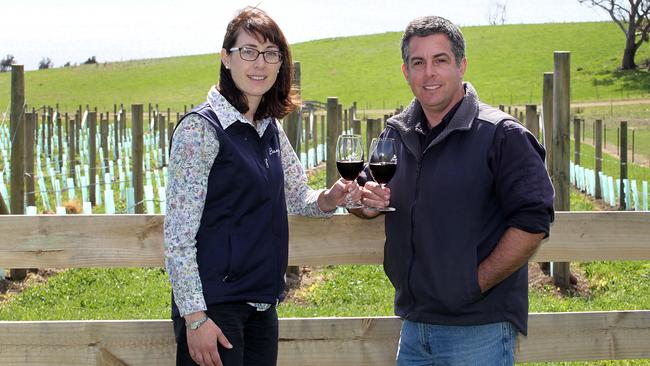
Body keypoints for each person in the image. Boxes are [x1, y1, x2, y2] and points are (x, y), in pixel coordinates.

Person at [164, 7, 359, 366]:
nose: (260, 63)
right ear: (226, 58)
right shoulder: (199, 130)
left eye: (271, 54)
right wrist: (194, 320)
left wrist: (331, 198)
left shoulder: (269, 128)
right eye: (248, 51)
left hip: (262, 306)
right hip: (216, 311)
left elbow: (299, 197)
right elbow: (177, 235)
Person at [355, 16, 555, 365]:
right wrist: (365, 203)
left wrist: (473, 284)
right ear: (406, 71)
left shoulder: (502, 135)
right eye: (418, 63)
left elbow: (533, 222)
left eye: (440, 60)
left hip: (479, 329)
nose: (429, 73)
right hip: (415, 326)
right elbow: (364, 190)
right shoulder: (396, 134)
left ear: (461, 65)